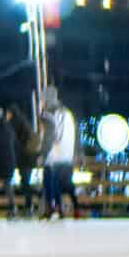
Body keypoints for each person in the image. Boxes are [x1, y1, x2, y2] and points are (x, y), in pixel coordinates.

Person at [40, 92, 77, 220]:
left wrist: (43, 153)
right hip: (66, 155)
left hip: (53, 154)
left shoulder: (50, 114)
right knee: (59, 183)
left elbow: (49, 136)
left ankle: (51, 207)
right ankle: (60, 208)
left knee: (49, 181)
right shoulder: (67, 113)